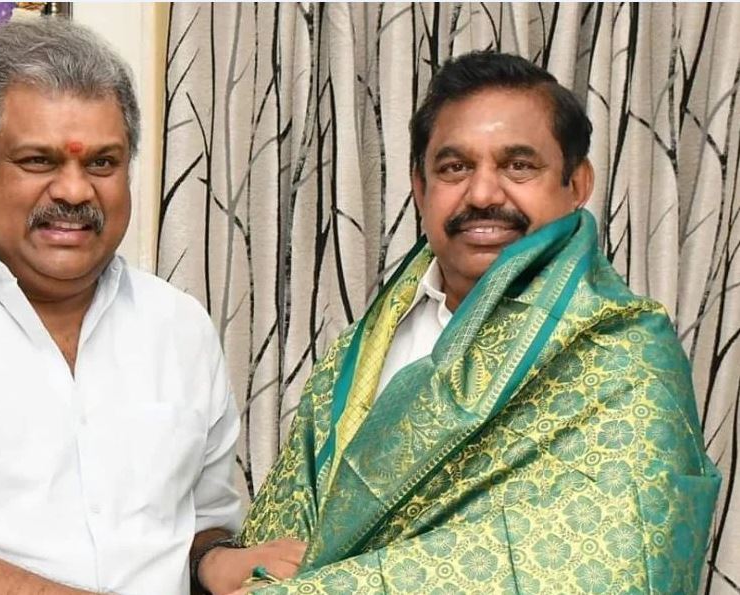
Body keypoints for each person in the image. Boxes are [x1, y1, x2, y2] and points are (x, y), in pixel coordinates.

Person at [0, 17, 300, 595]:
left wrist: (217, 559)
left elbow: (196, 525)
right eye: (39, 161)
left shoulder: (179, 326)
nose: (74, 190)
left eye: (102, 163)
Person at [208, 51, 721, 594]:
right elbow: (281, 545)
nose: (482, 194)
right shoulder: (355, 358)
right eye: (455, 168)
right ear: (420, 186)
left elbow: (618, 565)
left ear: (577, 183)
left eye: (518, 166)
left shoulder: (626, 358)